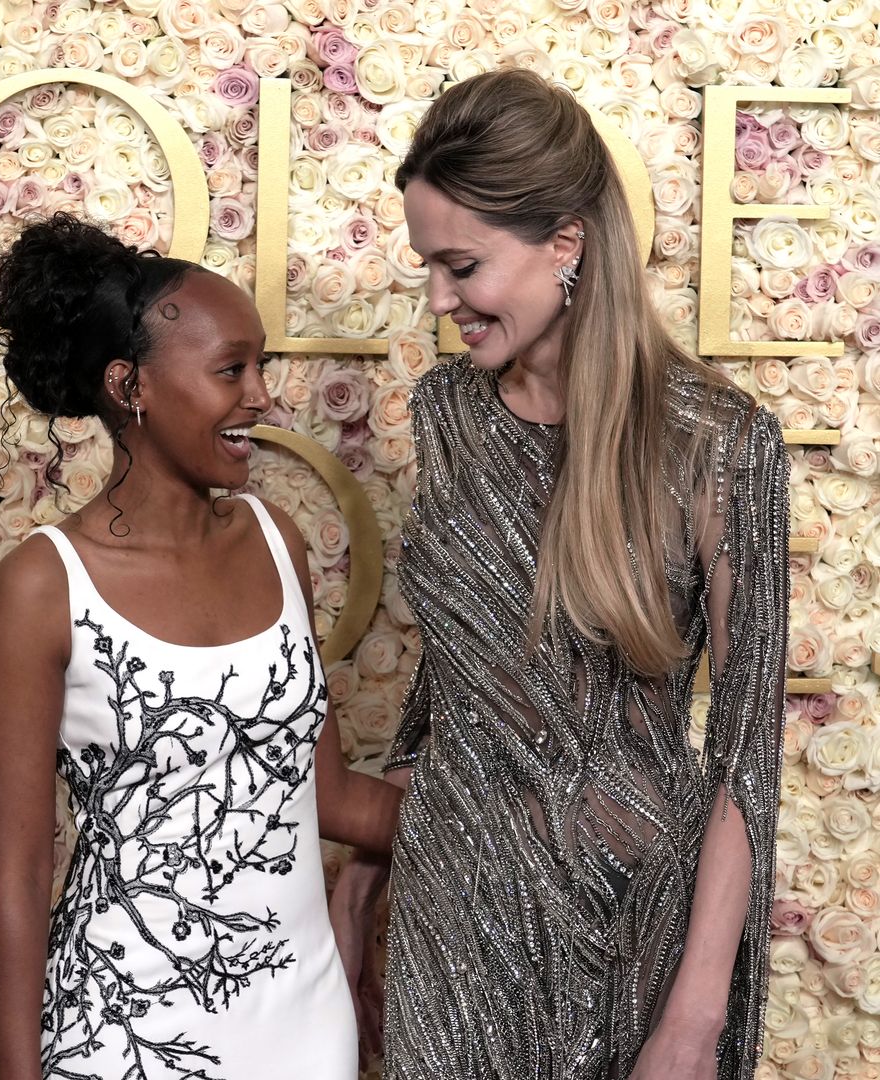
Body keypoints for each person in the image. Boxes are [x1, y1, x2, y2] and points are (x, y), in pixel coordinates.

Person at [330, 69, 789, 1080]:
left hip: (634, 931)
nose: (441, 300)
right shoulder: (448, 414)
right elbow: (467, 672)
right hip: (454, 926)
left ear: (566, 244)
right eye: (428, 268)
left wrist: (693, 1020)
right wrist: (364, 880)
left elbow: (746, 759)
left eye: (462, 266)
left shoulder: (719, 442)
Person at [0, 214, 402, 1080]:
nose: (261, 397)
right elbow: (18, 879)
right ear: (130, 384)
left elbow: (322, 797)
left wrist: (515, 821)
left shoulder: (276, 541)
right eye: (231, 370)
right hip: (119, 1033)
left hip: (305, 1024)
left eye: (261, 366)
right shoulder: (43, 586)